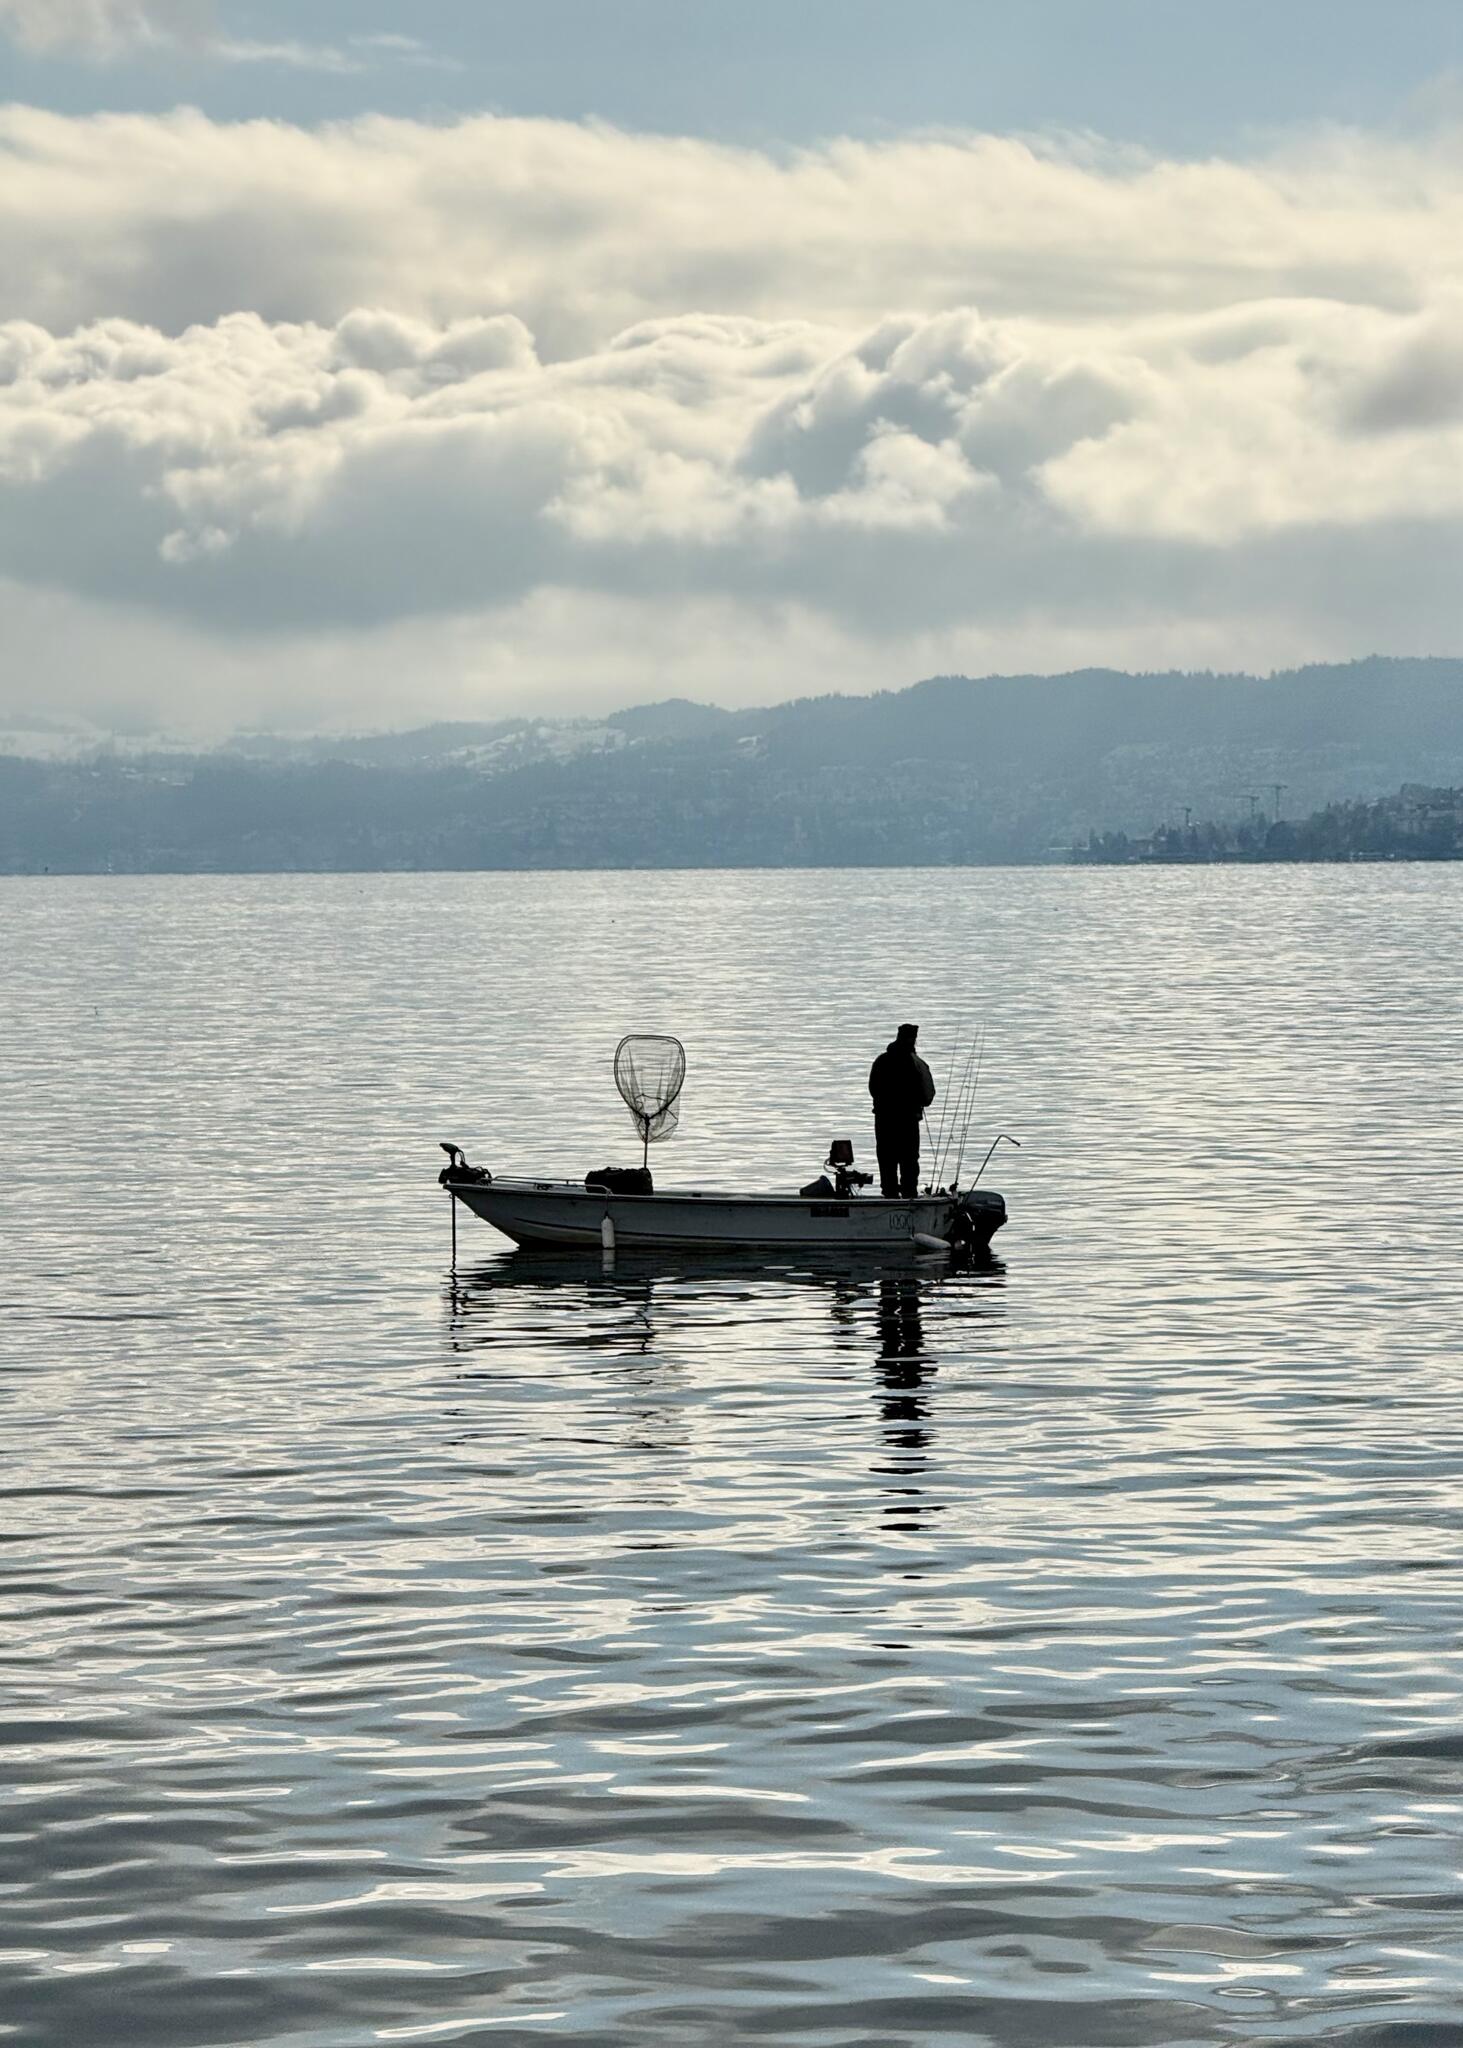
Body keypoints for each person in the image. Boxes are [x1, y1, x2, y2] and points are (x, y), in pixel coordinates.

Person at [868, 1022, 936, 1199]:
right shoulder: (917, 1064)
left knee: (887, 1159)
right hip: (908, 1122)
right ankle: (909, 1195)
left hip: (884, 1120)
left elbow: (872, 1089)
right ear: (913, 1039)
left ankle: (890, 1195)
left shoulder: (881, 1061)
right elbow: (928, 1096)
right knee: (909, 1161)